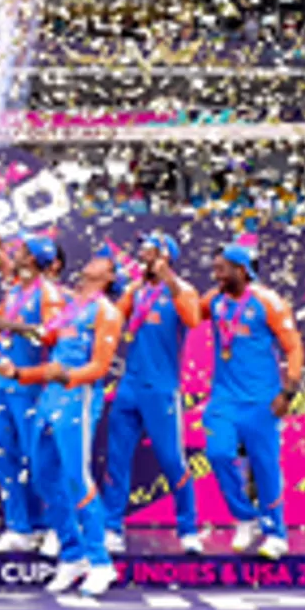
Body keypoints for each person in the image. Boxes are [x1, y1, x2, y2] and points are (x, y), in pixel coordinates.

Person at [0, 254, 122, 597]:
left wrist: (66, 376)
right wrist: (20, 373)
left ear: (109, 276)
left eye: (100, 262)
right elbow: (50, 352)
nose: (92, 261)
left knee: (77, 477)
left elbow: (100, 367)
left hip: (78, 398)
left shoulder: (106, 311)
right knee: (43, 476)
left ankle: (100, 563)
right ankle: (72, 555)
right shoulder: (71, 306)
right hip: (50, 397)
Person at [102, 232, 203, 554]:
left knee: (173, 460)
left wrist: (168, 281)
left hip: (161, 390)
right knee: (117, 459)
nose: (142, 253)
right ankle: (111, 527)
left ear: (166, 255)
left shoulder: (182, 289)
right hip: (129, 385)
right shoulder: (136, 290)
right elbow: (115, 319)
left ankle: (188, 529)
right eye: (142, 247)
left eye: (150, 249)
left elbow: (193, 319)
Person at [201, 243, 304, 561]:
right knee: (218, 454)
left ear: (241, 270)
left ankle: (276, 534)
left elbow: (294, 348)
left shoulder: (267, 301)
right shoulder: (216, 299)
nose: (215, 273)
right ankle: (245, 517)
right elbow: (191, 314)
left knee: (265, 467)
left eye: (221, 268)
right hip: (224, 398)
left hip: (262, 400)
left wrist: (288, 393)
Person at [0, 201, 66, 552]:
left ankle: (55, 527)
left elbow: (52, 334)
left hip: (31, 386)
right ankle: (19, 527)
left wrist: (6, 324)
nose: (15, 254)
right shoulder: (16, 287)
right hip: (1, 384)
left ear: (34, 259)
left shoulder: (49, 292)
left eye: (22, 251)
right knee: (3, 455)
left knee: (40, 460)